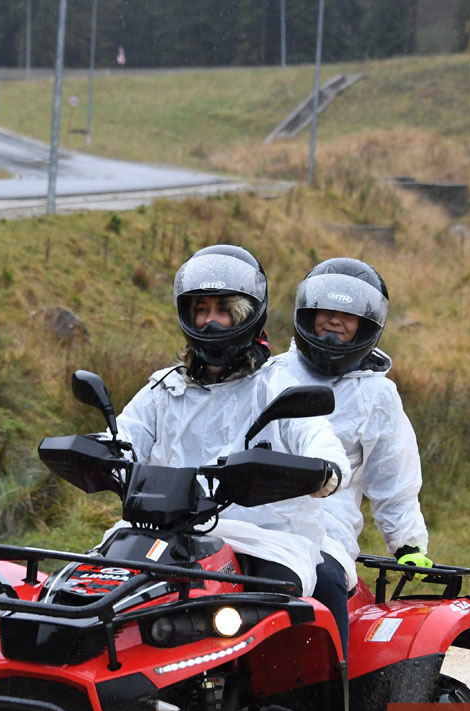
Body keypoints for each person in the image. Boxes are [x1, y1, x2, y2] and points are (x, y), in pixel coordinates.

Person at [114, 244, 353, 647]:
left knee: (282, 634)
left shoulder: (278, 386)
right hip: (166, 534)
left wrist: (325, 470)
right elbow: (125, 434)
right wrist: (99, 453)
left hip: (264, 538)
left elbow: (318, 439)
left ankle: (291, 704)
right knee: (98, 587)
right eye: (201, 309)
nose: (210, 322)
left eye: (223, 310)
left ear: (246, 314)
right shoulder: (164, 387)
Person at [271, 258, 429, 614]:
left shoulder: (377, 395)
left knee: (323, 578)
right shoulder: (272, 373)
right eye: (326, 310)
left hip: (327, 528)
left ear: (366, 326)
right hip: (256, 516)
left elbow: (394, 476)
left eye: (348, 315)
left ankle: (336, 668)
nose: (334, 321)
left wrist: (407, 545)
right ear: (307, 313)